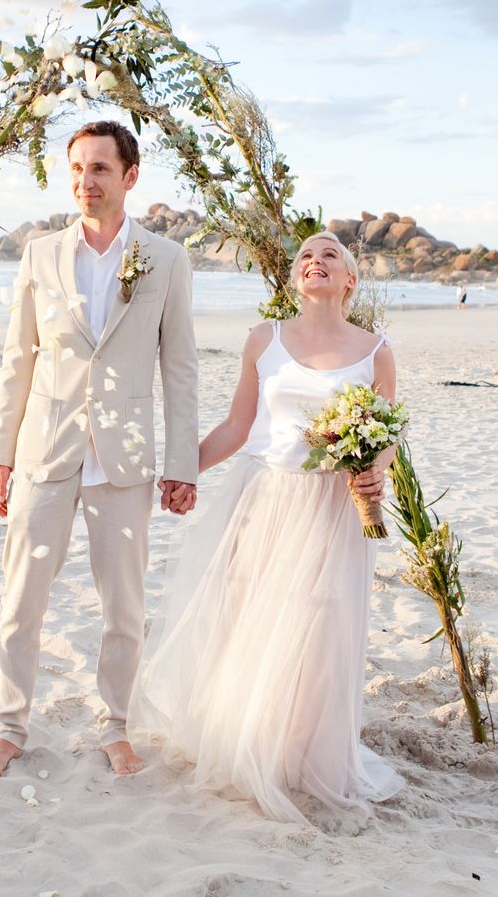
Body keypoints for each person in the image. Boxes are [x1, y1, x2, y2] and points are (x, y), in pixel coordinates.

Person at [133, 231, 404, 826]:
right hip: (265, 495)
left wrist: (373, 471)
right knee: (249, 614)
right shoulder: (265, 339)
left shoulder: (375, 350)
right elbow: (236, 426)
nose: (316, 261)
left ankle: (298, 756)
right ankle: (247, 738)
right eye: (306, 256)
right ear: (293, 279)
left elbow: (387, 437)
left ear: (350, 280)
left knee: (317, 626)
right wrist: (181, 472)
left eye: (330, 254)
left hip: (332, 507)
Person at [0, 121, 198, 778]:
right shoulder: (40, 256)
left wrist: (181, 464)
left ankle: (116, 726)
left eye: (100, 168)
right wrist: (0, 452)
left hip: (124, 458)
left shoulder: (167, 260)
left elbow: (179, 368)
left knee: (124, 606)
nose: (85, 181)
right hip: (45, 450)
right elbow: (18, 361)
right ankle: (9, 726)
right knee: (20, 601)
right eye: (76, 168)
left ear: (130, 177)